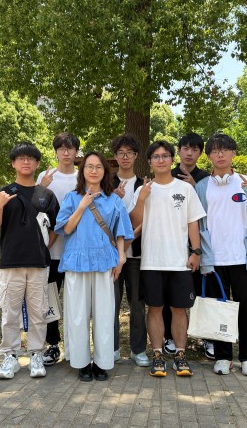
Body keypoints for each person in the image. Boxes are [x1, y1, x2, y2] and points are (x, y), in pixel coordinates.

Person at [55, 151, 134, 382]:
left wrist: (121, 257)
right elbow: (65, 229)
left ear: (104, 172)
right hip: (76, 261)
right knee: (77, 315)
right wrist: (82, 205)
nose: (93, 170)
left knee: (104, 314)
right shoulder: (71, 198)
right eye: (89, 166)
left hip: (104, 262)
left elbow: (121, 231)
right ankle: (81, 363)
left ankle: (102, 362)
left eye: (98, 167)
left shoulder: (113, 200)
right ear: (82, 171)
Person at [0, 142, 59, 380]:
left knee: (39, 312)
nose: (26, 162)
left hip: (39, 264)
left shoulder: (46, 195)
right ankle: (10, 356)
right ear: (13, 163)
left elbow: (55, 229)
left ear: (37, 163)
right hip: (11, 262)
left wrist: (42, 247)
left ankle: (36, 354)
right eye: (21, 158)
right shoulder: (3, 193)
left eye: (30, 158)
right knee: (10, 312)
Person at [130, 140, 205, 378]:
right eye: (156, 156)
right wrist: (142, 198)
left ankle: (180, 355)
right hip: (151, 261)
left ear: (172, 159)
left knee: (179, 309)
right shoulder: (143, 190)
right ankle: (157, 355)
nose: (161, 160)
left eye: (165, 156)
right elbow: (133, 222)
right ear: (149, 162)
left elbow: (193, 222)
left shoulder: (185, 189)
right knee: (155, 308)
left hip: (179, 261)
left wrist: (196, 252)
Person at [195, 133, 247, 377]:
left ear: (234, 153)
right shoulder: (202, 187)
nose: (220, 154)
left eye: (225, 150)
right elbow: (198, 225)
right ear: (208, 156)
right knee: (219, 310)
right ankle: (223, 357)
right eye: (215, 151)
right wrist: (203, 258)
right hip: (214, 260)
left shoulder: (246, 182)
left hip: (243, 259)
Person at [162, 133, 215, 360]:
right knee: (170, 294)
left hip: (199, 246)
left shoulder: (207, 179)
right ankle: (170, 337)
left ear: (201, 153)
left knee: (204, 293)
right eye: (186, 148)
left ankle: (208, 337)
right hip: (172, 246)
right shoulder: (167, 174)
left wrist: (195, 189)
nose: (189, 153)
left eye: (195, 149)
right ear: (179, 151)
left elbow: (209, 213)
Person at [36, 132, 80, 366]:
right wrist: (40, 188)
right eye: (61, 148)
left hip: (76, 252)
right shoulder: (46, 176)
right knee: (50, 299)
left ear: (76, 152)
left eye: (70, 148)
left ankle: (77, 347)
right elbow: (34, 210)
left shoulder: (83, 177)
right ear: (55, 152)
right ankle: (53, 345)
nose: (66, 152)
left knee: (75, 302)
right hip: (51, 251)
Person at [110, 134, 149, 367]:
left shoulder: (144, 184)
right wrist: (111, 199)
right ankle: (111, 348)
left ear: (136, 156)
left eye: (130, 153)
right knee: (111, 303)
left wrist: (131, 237)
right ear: (115, 157)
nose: (125, 157)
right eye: (120, 153)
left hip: (137, 254)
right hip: (111, 255)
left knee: (137, 304)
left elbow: (148, 217)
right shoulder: (106, 184)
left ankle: (138, 349)